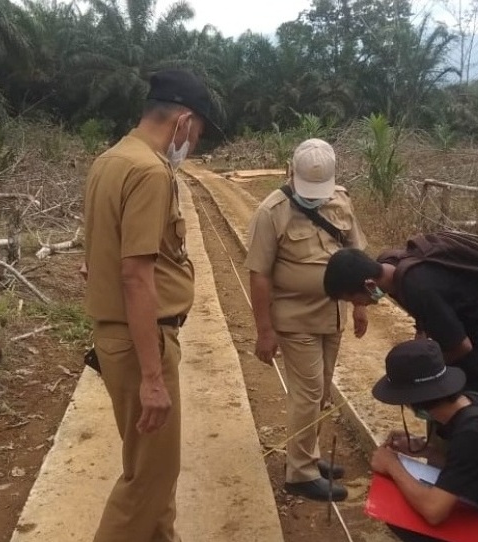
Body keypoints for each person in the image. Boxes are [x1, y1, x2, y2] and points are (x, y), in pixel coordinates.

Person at [82, 69, 220, 542]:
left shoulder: (111, 160)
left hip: (118, 334)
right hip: (144, 339)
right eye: (197, 134)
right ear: (183, 122)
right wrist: (154, 378)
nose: (193, 145)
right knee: (150, 478)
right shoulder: (149, 171)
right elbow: (136, 276)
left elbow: (99, 253)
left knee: (152, 467)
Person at [244, 138, 368, 502]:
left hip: (333, 315)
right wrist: (264, 331)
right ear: (291, 171)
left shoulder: (341, 201)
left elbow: (356, 255)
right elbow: (259, 275)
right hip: (294, 318)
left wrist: (360, 305)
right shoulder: (272, 211)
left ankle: (308, 455)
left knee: (322, 389)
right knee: (308, 393)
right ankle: (300, 473)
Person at [369, 339, 478, 542]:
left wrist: (392, 466)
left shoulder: (474, 434)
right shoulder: (472, 403)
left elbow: (433, 511)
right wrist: (426, 451)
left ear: (412, 402)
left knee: (402, 512)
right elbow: (469, 467)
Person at [323, 244, 478, 399]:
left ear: (369, 284)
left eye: (352, 299)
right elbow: (429, 315)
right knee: (436, 390)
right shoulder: (388, 265)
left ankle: (461, 450)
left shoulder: (418, 287)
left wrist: (418, 371)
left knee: (463, 395)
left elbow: (460, 347)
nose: (355, 304)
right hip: (474, 314)